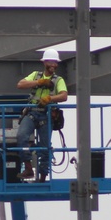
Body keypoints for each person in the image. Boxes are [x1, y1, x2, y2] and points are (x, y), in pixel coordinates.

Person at [16, 49, 68, 183]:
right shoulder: (35, 75)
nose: (53, 65)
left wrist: (50, 99)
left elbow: (64, 95)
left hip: (47, 115)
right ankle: (28, 169)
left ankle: (42, 177)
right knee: (21, 136)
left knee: (45, 146)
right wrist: (39, 83)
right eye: (51, 61)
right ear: (44, 62)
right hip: (32, 112)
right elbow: (21, 84)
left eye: (55, 62)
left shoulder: (58, 80)